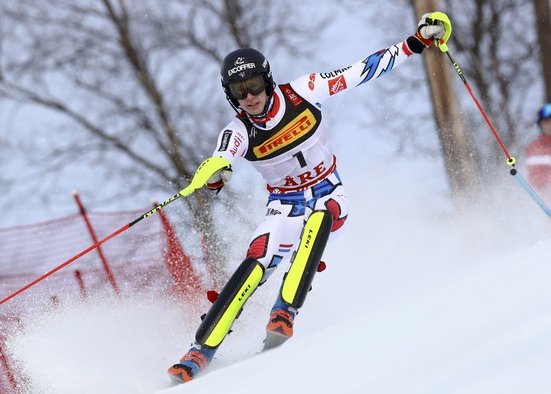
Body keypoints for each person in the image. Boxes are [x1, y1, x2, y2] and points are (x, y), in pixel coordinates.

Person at [168, 11, 451, 383]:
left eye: (254, 84)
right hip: (284, 204)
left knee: (323, 215)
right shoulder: (238, 129)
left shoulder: (303, 91)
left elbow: (361, 71)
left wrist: (415, 43)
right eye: (240, 91)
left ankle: (285, 309)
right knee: (259, 257)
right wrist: (215, 175)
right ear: (231, 95)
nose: (250, 96)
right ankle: (200, 350)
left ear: (266, 80)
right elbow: (223, 156)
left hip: (329, 190)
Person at [525, 103, 551, 199]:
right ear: (541, 124)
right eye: (547, 122)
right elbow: (534, 178)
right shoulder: (533, 148)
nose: (550, 125)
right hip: (540, 202)